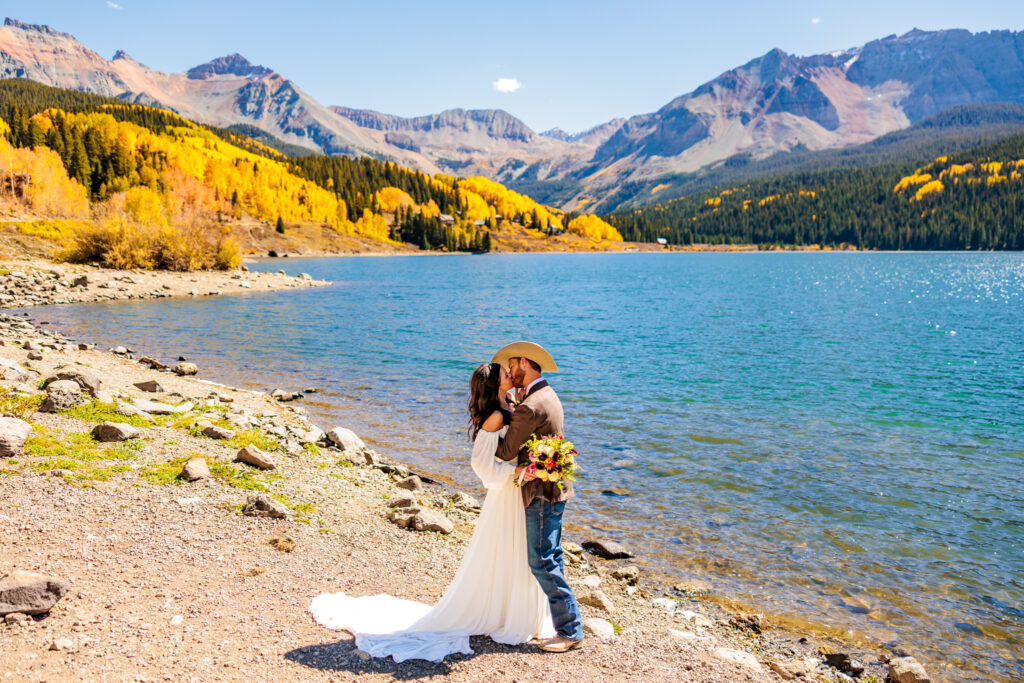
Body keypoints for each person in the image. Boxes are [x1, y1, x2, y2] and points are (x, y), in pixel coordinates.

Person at [307, 362, 554, 662]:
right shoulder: (496, 416)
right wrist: (514, 472)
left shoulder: (510, 404)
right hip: (506, 493)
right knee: (504, 550)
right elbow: (482, 465)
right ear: (493, 384)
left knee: (515, 551)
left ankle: (512, 612)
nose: (510, 374)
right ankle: (501, 614)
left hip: (516, 489)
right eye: (505, 373)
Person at [491, 341, 584, 653]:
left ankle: (570, 631)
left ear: (523, 362)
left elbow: (506, 452)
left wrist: (489, 428)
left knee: (541, 560)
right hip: (556, 489)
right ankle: (566, 625)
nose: (511, 372)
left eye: (512, 366)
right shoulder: (548, 394)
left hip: (541, 493)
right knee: (552, 557)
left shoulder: (530, 405)